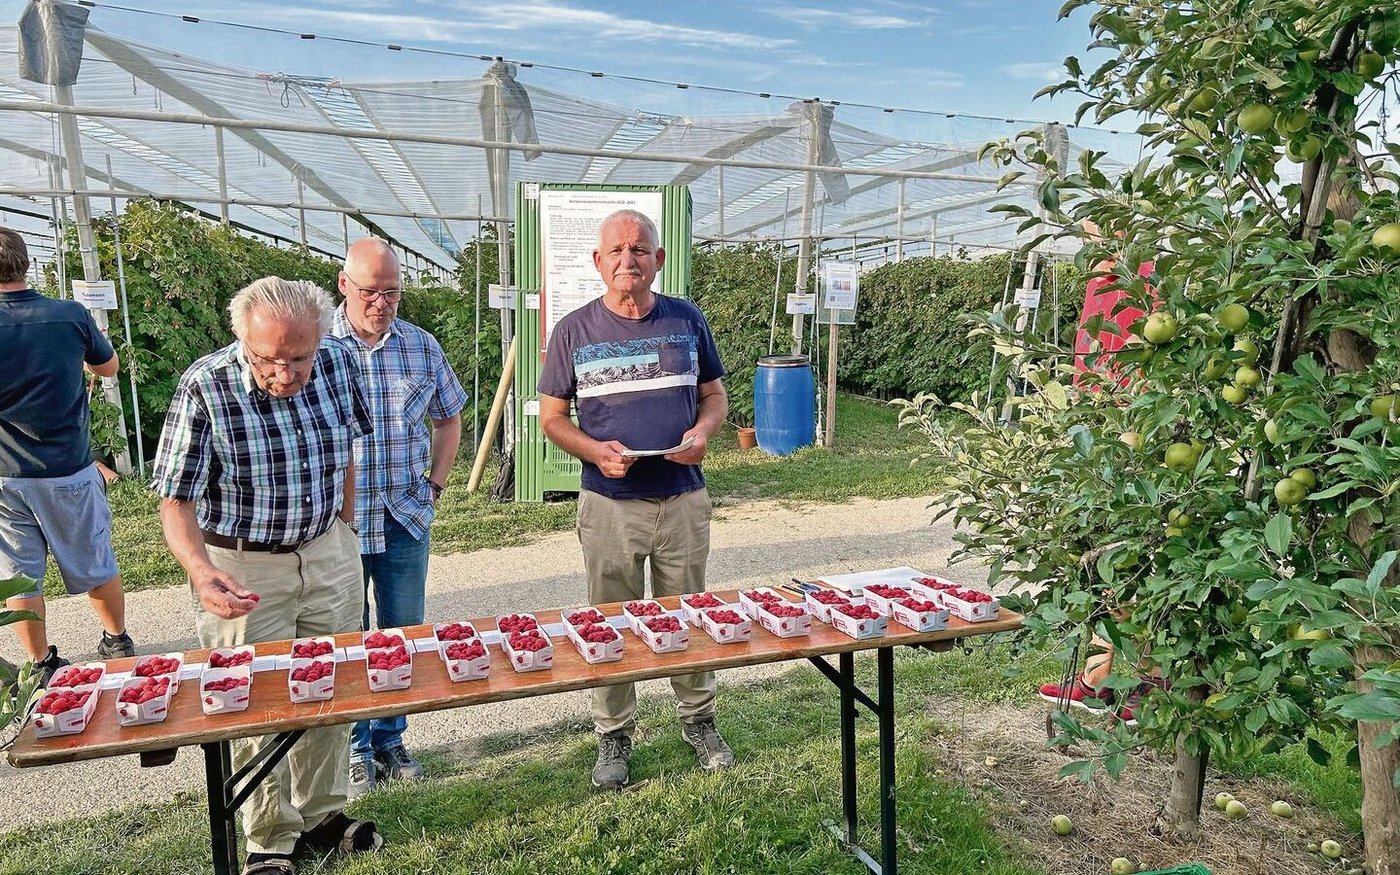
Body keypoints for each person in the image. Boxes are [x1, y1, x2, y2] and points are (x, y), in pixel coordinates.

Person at [151, 277, 379, 875]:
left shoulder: (336, 364)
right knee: (252, 700)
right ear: (242, 341)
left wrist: (345, 529)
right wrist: (202, 574)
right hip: (243, 563)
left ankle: (324, 813)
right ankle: (270, 837)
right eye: (268, 359)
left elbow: (349, 447)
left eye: (298, 357)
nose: (285, 373)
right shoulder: (205, 386)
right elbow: (175, 501)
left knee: (332, 684)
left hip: (328, 548)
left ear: (321, 339)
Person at [537, 209, 733, 791]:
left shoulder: (687, 319)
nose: (629, 260)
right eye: (617, 251)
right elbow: (552, 418)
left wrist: (703, 434)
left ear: (658, 259)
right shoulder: (572, 330)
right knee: (609, 624)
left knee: (687, 617)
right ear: (598, 262)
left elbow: (715, 397)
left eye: (640, 249)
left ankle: (698, 720)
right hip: (610, 504)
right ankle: (613, 732)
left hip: (682, 499)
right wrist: (594, 450)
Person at [330, 238, 466, 797]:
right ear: (344, 285)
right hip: (339, 523)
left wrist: (435, 483)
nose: (381, 303)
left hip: (405, 514)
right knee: (347, 636)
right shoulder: (318, 347)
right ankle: (357, 746)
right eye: (370, 291)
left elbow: (449, 417)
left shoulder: (421, 346)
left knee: (401, 633)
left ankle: (391, 737)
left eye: (392, 293)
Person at [0, 226, 135, 684]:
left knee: (19, 575)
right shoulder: (69, 315)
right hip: (69, 468)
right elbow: (109, 367)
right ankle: (116, 638)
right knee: (95, 559)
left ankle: (39, 666)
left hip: (5, 476)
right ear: (27, 264)